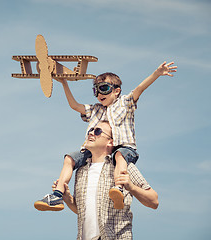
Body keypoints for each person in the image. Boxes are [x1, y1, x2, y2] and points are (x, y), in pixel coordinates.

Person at [34, 61, 176, 211]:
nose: (100, 94)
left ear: (116, 91)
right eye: (96, 91)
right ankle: (57, 195)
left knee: (120, 155)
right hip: (97, 151)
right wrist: (64, 83)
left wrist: (157, 73)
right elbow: (75, 106)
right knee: (69, 158)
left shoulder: (124, 103)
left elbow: (140, 88)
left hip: (124, 147)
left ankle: (118, 189)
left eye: (104, 89)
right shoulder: (96, 110)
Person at [53, 120, 159, 239]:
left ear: (110, 142)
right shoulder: (81, 171)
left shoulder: (123, 166)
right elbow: (84, 212)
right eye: (90, 130)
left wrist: (131, 187)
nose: (91, 133)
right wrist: (69, 200)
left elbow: (154, 201)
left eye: (97, 131)